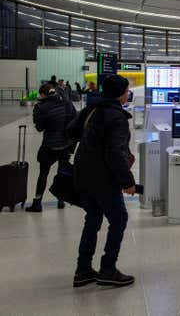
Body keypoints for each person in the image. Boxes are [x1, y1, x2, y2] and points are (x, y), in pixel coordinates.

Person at [69, 74, 136, 288]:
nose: (128, 94)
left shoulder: (93, 110)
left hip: (82, 174)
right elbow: (114, 154)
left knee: (93, 219)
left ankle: (83, 269)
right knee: (119, 219)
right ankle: (108, 269)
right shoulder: (116, 117)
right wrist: (127, 182)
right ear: (120, 94)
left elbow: (71, 131)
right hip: (103, 178)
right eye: (126, 91)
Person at [25, 83, 77, 212]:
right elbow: (75, 120)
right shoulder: (67, 103)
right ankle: (60, 200)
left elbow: (39, 128)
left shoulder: (41, 107)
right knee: (62, 172)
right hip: (66, 145)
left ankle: (37, 203)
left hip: (49, 145)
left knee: (43, 173)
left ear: (43, 94)